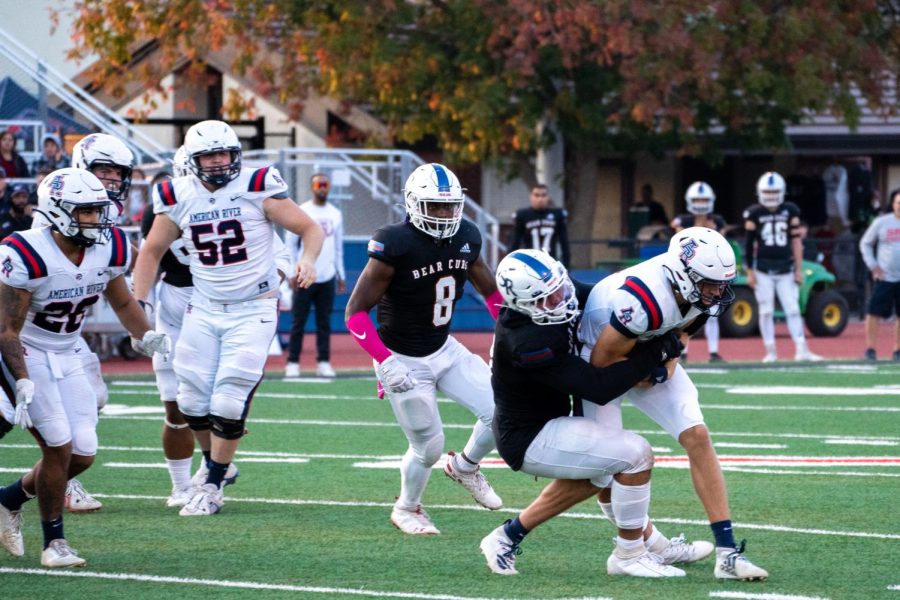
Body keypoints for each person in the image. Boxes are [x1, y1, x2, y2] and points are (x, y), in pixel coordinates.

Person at [132, 120, 324, 517]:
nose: (219, 163)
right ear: (193, 160)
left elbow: (309, 228)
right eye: (209, 156)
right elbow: (150, 251)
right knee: (190, 399)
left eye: (224, 154)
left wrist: (307, 260)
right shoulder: (176, 193)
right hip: (202, 306)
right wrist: (140, 306)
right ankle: (218, 463)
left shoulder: (257, 185)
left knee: (229, 399)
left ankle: (214, 485)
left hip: (253, 306)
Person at [480, 248, 697, 578]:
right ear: (521, 304)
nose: (561, 300)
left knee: (602, 474)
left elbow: (600, 296)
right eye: (547, 299)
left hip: (550, 420)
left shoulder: (557, 292)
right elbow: (597, 386)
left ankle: (507, 537)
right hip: (530, 436)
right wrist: (656, 350)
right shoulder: (529, 342)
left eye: (559, 289)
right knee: (635, 454)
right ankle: (630, 554)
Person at [576, 227, 769, 581]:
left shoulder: (698, 292)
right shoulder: (643, 299)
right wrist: (644, 369)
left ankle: (726, 554)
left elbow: (680, 335)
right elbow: (603, 362)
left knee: (697, 435)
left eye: (722, 283)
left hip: (646, 347)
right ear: (683, 274)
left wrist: (662, 369)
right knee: (606, 466)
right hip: (599, 356)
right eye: (710, 283)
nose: (718, 291)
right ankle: (636, 548)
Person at [0, 167, 170, 567]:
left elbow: (123, 301)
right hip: (27, 348)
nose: (98, 219)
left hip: (69, 348)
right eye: (87, 211)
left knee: (84, 452)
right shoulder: (25, 252)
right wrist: (20, 379)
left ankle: (8, 499)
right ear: (57, 211)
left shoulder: (109, 245)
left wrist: (147, 335)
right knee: (58, 442)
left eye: (98, 210)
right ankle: (54, 543)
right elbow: (6, 328)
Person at [345, 162, 505, 534]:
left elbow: (491, 291)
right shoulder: (395, 243)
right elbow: (355, 314)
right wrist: (384, 361)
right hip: (400, 355)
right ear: (414, 204)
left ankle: (465, 467)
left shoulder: (466, 235)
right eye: (435, 206)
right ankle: (407, 508)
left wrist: (510, 329)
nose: (445, 214)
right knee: (428, 447)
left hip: (443, 347)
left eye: (450, 206)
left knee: (504, 411)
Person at [31, 131, 140, 513]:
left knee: (91, 403)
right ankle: (58, 481)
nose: (112, 180)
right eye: (103, 170)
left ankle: (61, 478)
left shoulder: (104, 218)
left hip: (66, 332)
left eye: (118, 172)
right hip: (27, 335)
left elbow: (122, 279)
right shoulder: (58, 207)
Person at [744, 172, 822, 362]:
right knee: (766, 311)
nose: (771, 196)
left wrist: (798, 268)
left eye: (774, 192)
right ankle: (771, 351)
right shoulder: (754, 213)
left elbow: (796, 242)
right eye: (767, 192)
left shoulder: (790, 210)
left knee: (793, 309)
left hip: (785, 268)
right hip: (762, 269)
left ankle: (802, 349)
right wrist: (750, 272)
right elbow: (748, 244)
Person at [284, 172, 346, 378]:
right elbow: (291, 244)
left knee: (324, 322)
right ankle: (292, 362)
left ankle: (324, 362)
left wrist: (341, 273)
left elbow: (338, 248)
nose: (322, 188)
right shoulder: (303, 211)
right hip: (304, 276)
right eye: (318, 184)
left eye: (325, 184)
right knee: (298, 321)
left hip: (327, 276)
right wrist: (293, 270)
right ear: (312, 187)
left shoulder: (335, 214)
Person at [671, 181, 728, 363]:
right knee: (685, 314)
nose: (701, 203)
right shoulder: (683, 221)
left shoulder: (717, 221)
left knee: (711, 313)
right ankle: (682, 351)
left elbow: (721, 243)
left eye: (704, 199)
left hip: (711, 272)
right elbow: (678, 242)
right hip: (689, 272)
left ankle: (713, 351)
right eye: (697, 199)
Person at [859, 188, 900, 361]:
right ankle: (870, 349)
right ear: (893, 204)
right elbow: (865, 243)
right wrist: (873, 265)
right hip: (885, 277)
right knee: (873, 312)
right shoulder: (882, 222)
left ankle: (898, 350)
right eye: (899, 202)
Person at [509, 183, 571, 267]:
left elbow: (564, 243)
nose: (540, 199)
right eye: (536, 195)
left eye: (543, 195)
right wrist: (510, 264)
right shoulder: (523, 215)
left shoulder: (557, 214)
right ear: (531, 197)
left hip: (551, 263)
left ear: (548, 197)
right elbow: (515, 243)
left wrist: (566, 266)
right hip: (529, 264)